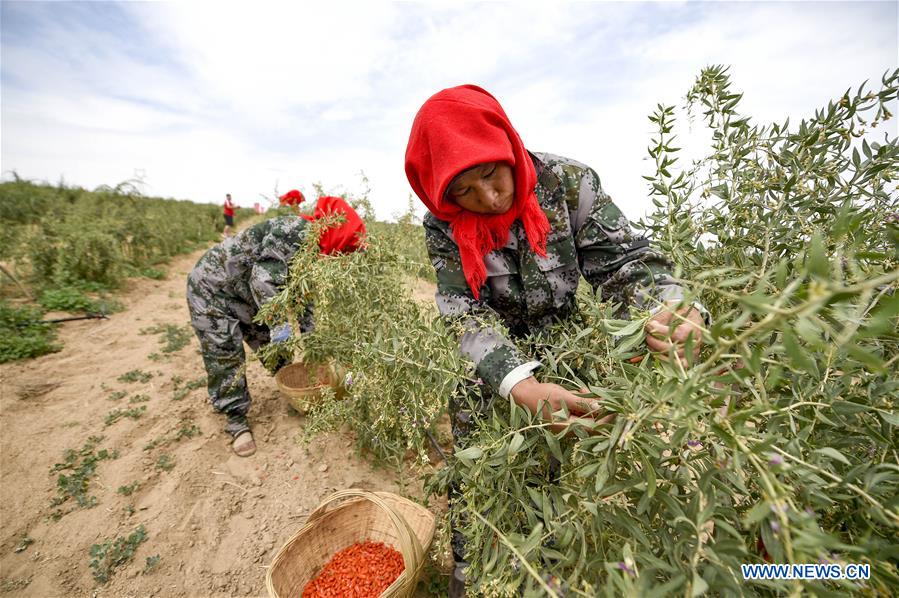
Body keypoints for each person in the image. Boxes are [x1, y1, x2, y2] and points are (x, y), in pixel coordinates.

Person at [404, 84, 707, 596]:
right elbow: (462, 310)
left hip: (561, 353)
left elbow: (627, 264)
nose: (490, 197)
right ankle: (473, 569)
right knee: (477, 472)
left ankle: (545, 568)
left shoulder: (570, 184)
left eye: (490, 174)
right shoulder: (442, 224)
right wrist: (516, 382)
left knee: (552, 465)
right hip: (489, 369)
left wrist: (669, 307)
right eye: (464, 192)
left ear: (505, 147)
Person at [187, 196, 365, 457]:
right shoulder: (294, 231)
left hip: (245, 292)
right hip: (212, 287)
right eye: (347, 247)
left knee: (275, 351)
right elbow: (263, 281)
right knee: (224, 353)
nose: (344, 256)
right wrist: (281, 326)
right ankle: (235, 419)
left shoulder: (318, 250)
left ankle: (294, 390)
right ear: (339, 234)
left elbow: (304, 296)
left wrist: (312, 340)